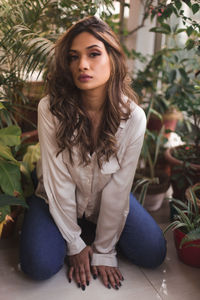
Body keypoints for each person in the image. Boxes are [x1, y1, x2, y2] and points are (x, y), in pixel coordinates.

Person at [19, 16, 166, 291]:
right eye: (74, 57)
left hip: (104, 198)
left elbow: (119, 187)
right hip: (54, 198)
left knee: (153, 252)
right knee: (37, 265)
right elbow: (57, 182)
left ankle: (90, 230)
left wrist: (104, 249)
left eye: (94, 54)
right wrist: (74, 244)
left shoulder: (133, 118)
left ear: (112, 57)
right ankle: (74, 231)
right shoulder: (50, 109)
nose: (82, 65)